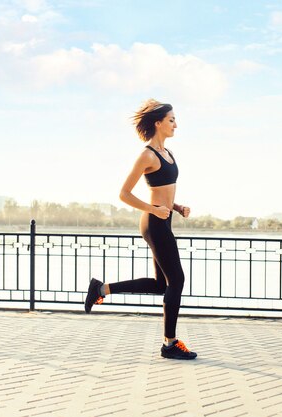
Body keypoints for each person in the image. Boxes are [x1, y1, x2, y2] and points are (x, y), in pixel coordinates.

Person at [84, 99, 197, 360]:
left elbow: (163, 190)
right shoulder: (147, 154)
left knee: (161, 285)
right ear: (158, 123)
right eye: (171, 120)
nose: (176, 125)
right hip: (154, 222)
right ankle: (170, 344)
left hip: (163, 219)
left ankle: (101, 290)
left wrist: (177, 206)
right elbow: (124, 194)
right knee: (177, 280)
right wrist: (154, 209)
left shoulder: (168, 154)